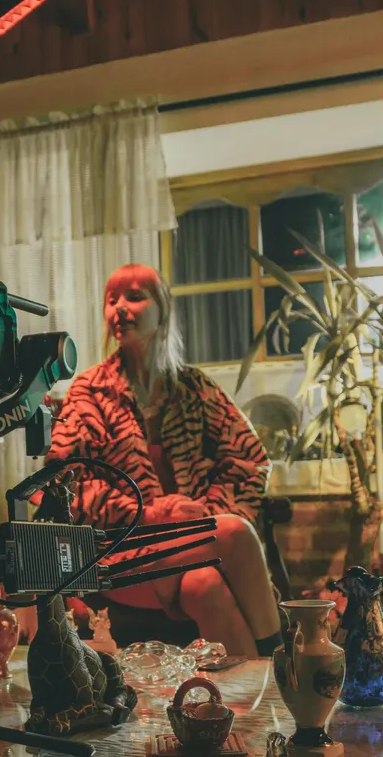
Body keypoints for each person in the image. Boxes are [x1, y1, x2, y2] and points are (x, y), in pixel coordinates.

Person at [46, 264, 282, 657]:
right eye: (111, 300)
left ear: (163, 309)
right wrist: (147, 513)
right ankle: (281, 661)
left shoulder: (194, 388)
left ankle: (246, 696)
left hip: (190, 548)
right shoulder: (89, 390)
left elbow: (249, 462)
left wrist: (204, 513)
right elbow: (63, 485)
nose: (120, 308)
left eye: (135, 296)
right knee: (235, 535)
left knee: (205, 585)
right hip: (117, 552)